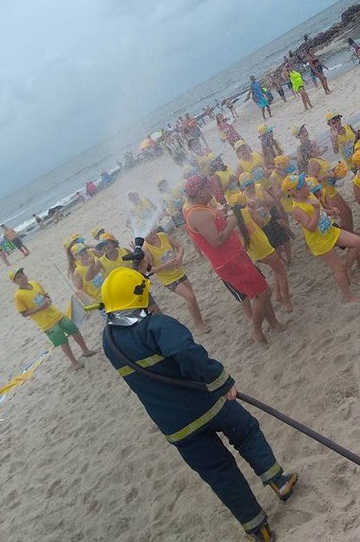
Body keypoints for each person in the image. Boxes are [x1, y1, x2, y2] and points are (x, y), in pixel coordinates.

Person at [99, 267, 297, 542]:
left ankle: (257, 528)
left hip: (176, 427)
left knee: (219, 473)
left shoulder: (109, 342)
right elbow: (185, 352)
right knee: (247, 432)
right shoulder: (157, 326)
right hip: (208, 403)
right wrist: (219, 378)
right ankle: (278, 481)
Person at [183, 175, 286, 344]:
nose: (211, 191)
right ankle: (256, 329)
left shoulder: (200, 208)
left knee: (261, 291)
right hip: (229, 262)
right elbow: (216, 241)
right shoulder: (198, 214)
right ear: (199, 191)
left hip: (235, 255)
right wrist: (232, 222)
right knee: (263, 293)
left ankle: (274, 324)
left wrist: (222, 215)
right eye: (208, 188)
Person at [283, 174, 360, 302]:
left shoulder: (309, 195)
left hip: (330, 230)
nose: (307, 186)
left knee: (357, 241)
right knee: (338, 268)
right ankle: (348, 296)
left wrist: (332, 211)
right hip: (319, 240)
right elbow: (311, 227)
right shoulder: (296, 209)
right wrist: (315, 209)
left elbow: (322, 210)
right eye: (303, 185)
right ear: (295, 192)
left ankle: (348, 268)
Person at [11, 267, 95, 370]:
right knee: (62, 340)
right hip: (46, 322)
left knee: (73, 329)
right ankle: (74, 362)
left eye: (23, 274)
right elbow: (24, 313)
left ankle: (85, 350)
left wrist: (48, 300)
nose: (23, 277)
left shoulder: (34, 283)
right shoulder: (18, 296)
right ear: (15, 282)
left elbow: (46, 295)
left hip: (56, 313)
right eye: (19, 277)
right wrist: (39, 308)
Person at [231, 192, 293, 312]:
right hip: (264, 248)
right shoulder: (248, 211)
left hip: (254, 253)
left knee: (276, 267)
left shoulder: (232, 219)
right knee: (281, 273)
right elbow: (262, 223)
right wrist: (254, 208)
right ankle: (287, 302)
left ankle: (277, 294)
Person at [142, 229, 209, 332]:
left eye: (152, 231)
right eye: (148, 233)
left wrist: (179, 256)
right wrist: (166, 265)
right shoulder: (146, 249)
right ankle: (199, 324)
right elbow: (150, 270)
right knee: (190, 296)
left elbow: (179, 247)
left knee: (192, 298)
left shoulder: (163, 236)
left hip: (179, 272)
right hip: (169, 279)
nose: (151, 234)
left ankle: (199, 321)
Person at [307, 154, 354, 234]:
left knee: (347, 211)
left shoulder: (320, 158)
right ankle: (347, 236)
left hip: (331, 190)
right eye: (314, 145)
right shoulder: (314, 162)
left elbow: (324, 172)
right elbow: (311, 181)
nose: (317, 146)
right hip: (326, 193)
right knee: (344, 213)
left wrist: (335, 170)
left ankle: (350, 233)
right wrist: (327, 175)